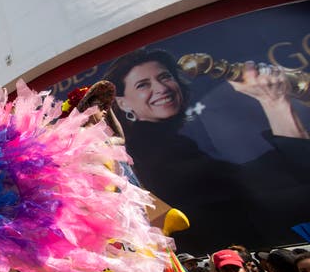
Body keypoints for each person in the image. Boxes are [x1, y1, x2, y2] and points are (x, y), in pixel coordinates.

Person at [104, 48, 310, 253]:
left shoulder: (173, 142)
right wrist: (275, 104)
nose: (161, 88)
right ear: (122, 103)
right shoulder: (145, 152)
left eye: (165, 77)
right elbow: (252, 193)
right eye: (143, 85)